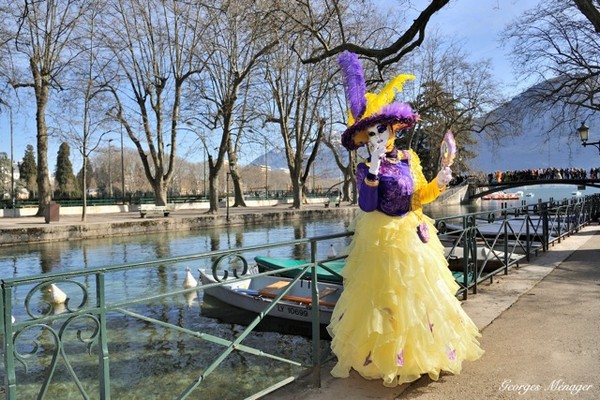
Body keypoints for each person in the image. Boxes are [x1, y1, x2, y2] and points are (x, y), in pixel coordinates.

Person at [327, 51, 484, 387]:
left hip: (414, 234)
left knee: (420, 297)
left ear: (392, 128)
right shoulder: (364, 167)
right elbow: (368, 206)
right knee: (384, 300)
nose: (376, 137)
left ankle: (422, 354)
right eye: (369, 134)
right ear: (362, 138)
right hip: (380, 237)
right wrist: (371, 168)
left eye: (380, 130)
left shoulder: (407, 158)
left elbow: (419, 196)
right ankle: (385, 358)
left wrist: (439, 184)